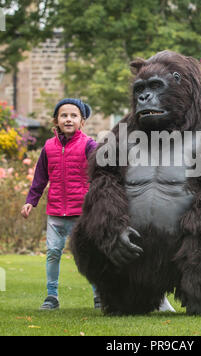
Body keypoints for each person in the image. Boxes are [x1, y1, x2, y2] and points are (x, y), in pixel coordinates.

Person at [21, 98, 175, 313]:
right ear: (56, 120)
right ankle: (51, 296)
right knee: (53, 253)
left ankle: (99, 295)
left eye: (73, 116)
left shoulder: (90, 146)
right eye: (64, 115)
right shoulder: (48, 147)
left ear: (82, 122)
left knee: (91, 255)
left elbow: (102, 174)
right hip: (55, 212)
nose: (68, 119)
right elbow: (40, 178)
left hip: (81, 213)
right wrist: (31, 201)